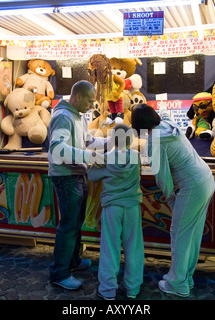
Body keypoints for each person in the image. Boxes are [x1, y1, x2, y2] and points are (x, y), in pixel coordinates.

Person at [131, 103, 215, 298]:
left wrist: (170, 199)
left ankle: (177, 283)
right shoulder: (168, 125)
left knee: (180, 233)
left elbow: (163, 177)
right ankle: (187, 277)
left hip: (192, 187)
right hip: (205, 179)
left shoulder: (155, 141)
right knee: (191, 233)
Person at [47, 80, 107, 290]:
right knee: (69, 225)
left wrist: (109, 143)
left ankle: (73, 260)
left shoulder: (77, 115)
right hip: (65, 177)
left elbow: (88, 141)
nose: (92, 106)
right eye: (90, 101)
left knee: (76, 221)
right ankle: (59, 273)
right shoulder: (63, 116)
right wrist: (90, 156)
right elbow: (57, 149)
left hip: (77, 175)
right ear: (78, 97)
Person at [87, 124, 144, 300]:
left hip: (112, 208)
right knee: (133, 248)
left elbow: (91, 176)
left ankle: (108, 290)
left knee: (109, 248)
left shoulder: (105, 158)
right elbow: (139, 174)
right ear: (131, 140)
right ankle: (133, 289)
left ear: (112, 140)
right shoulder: (136, 156)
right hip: (132, 207)